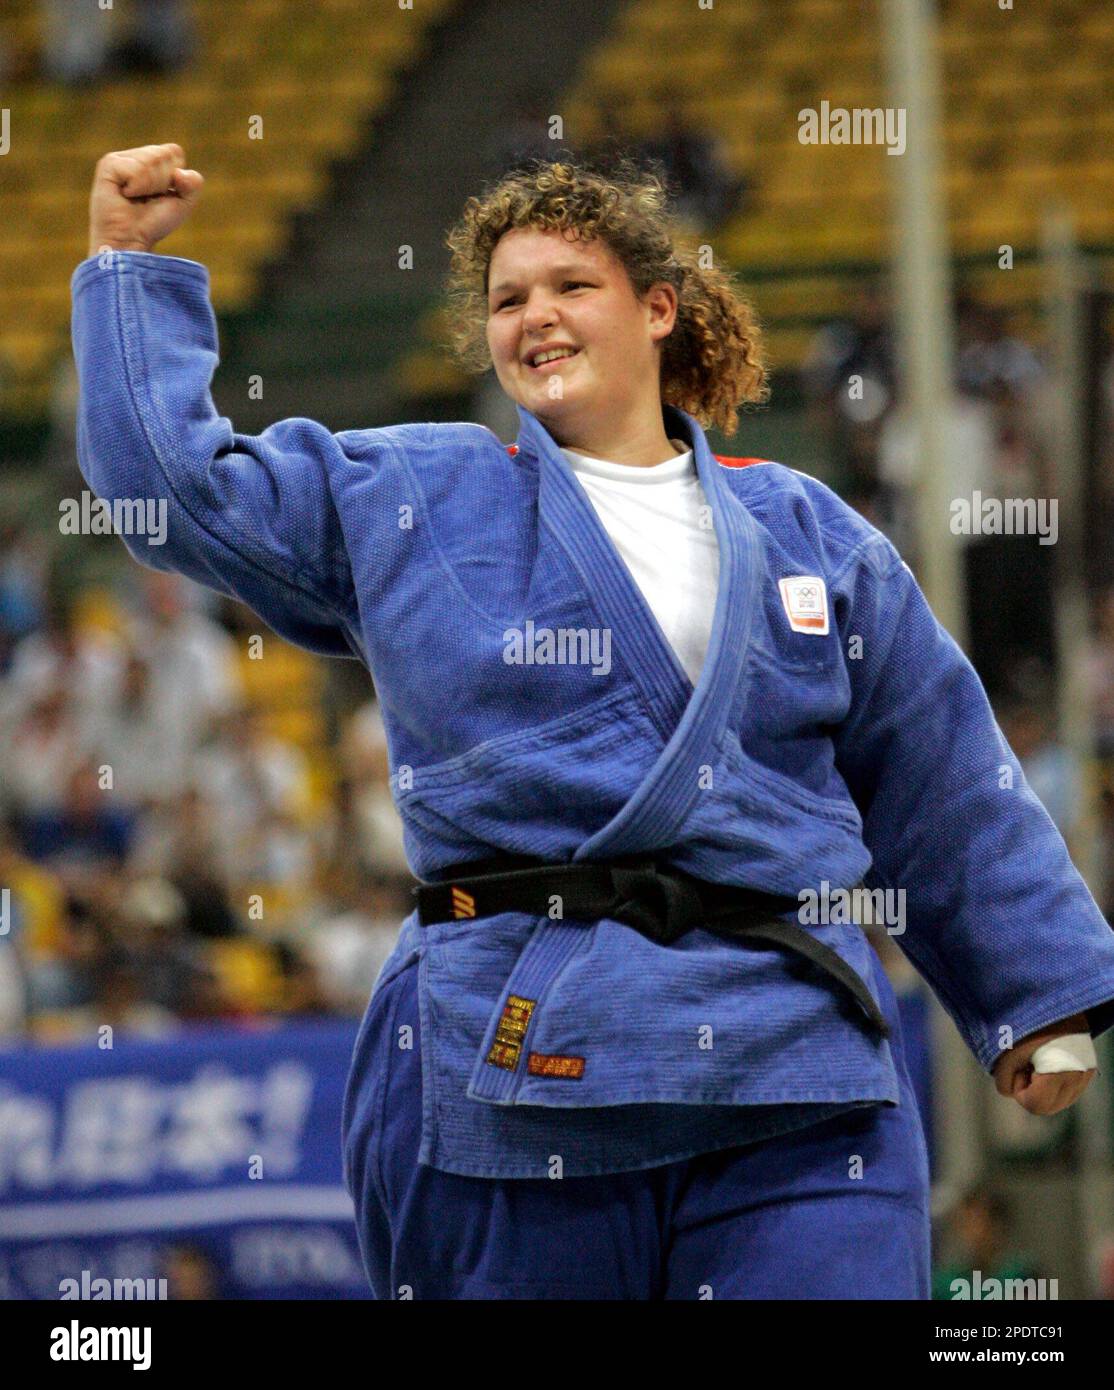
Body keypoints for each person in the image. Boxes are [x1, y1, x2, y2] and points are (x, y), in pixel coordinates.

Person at [72, 145, 1113, 1301]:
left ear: (656, 309)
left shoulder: (805, 529)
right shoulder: (418, 497)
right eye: (507, 299)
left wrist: (1031, 992)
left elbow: (934, 761)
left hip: (790, 1065)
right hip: (514, 1062)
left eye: (570, 285)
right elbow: (178, 494)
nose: (535, 316)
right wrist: (127, 269)